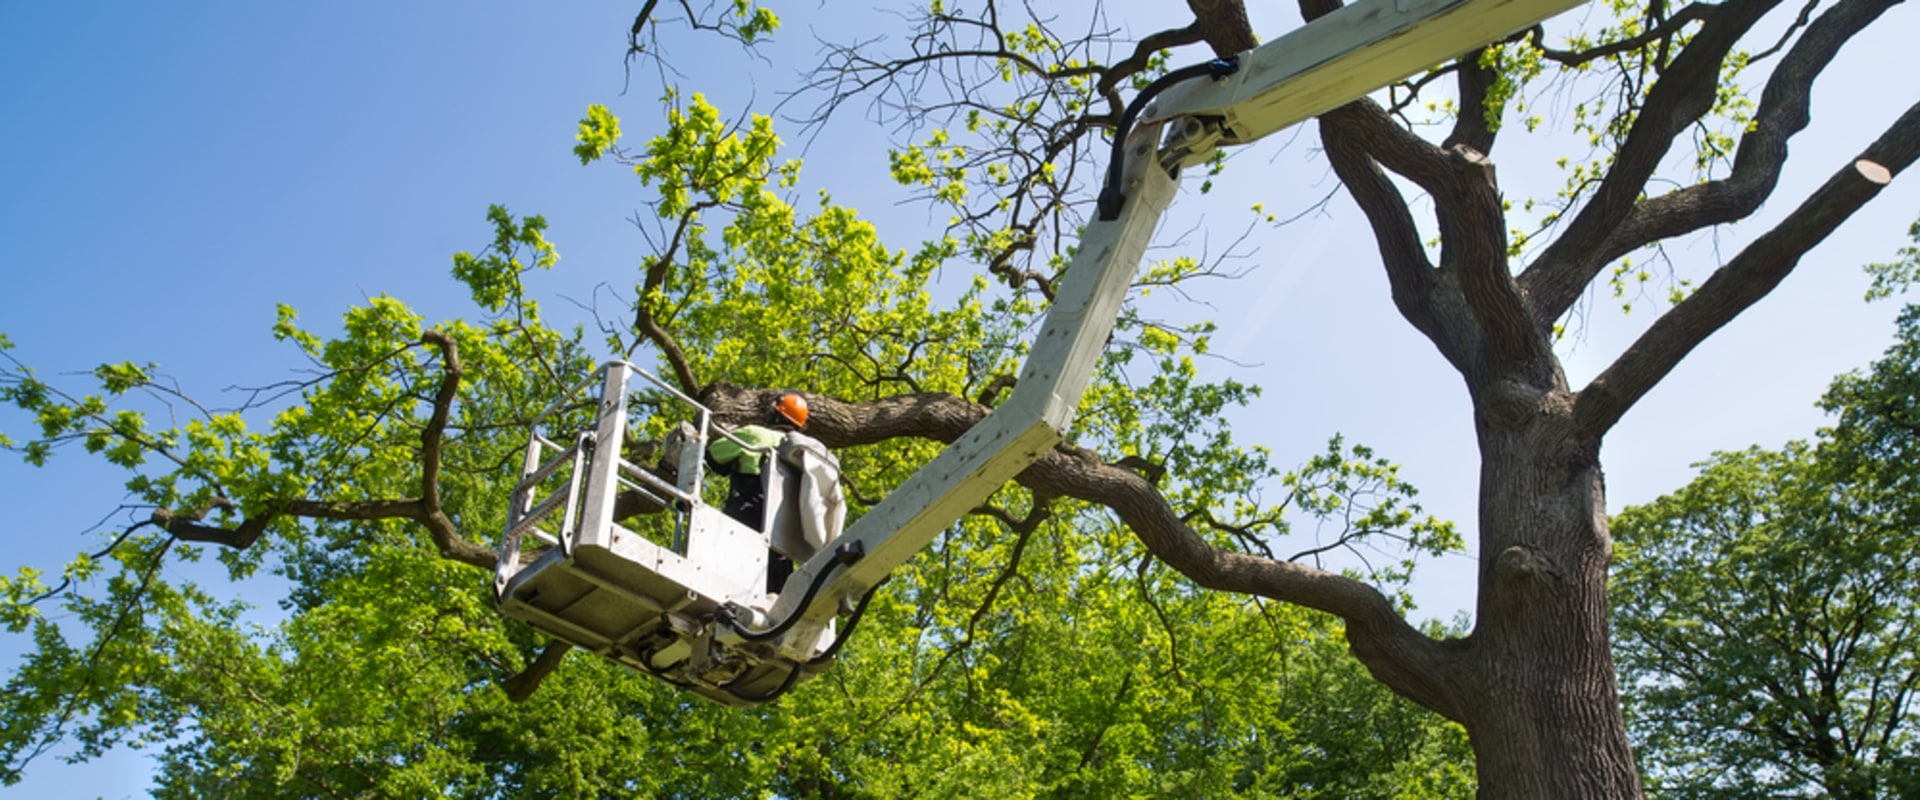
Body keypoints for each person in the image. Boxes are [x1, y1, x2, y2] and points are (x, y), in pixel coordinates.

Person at [707, 391, 842, 593]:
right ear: (800, 425)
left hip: (744, 528)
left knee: (724, 593)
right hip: (782, 548)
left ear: (773, 414)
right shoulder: (806, 456)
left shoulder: (754, 434)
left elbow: (713, 457)